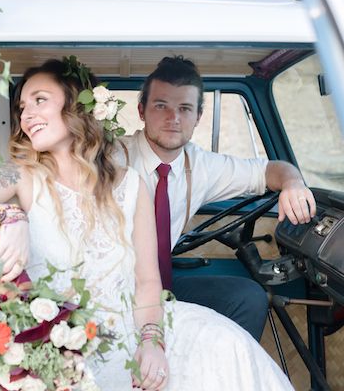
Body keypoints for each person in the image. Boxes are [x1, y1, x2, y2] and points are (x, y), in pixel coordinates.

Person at [0, 58, 293, 390]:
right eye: (23, 107)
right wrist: (9, 215)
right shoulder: (19, 174)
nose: (28, 115)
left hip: (135, 325)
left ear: (76, 106)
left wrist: (151, 343)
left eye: (40, 100)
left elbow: (146, 281)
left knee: (228, 346)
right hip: (64, 343)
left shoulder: (130, 185)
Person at [121, 56, 317, 341]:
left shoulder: (201, 165)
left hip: (164, 286)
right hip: (112, 289)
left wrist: (294, 184)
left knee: (247, 297)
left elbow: (270, 170)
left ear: (198, 117)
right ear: (141, 111)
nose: (173, 118)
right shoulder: (111, 157)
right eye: (161, 106)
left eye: (184, 108)